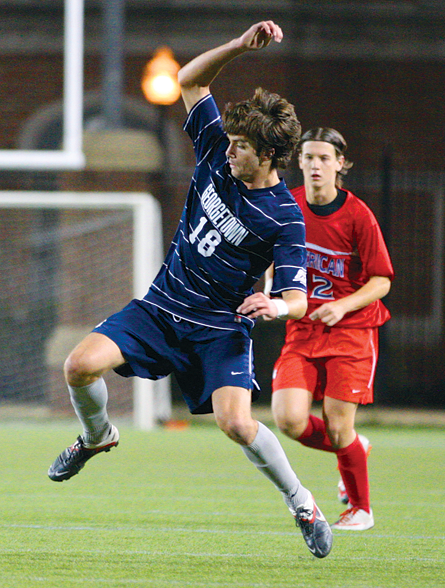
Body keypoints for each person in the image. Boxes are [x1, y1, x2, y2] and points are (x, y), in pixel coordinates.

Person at [47, 21, 333, 558]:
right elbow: (190, 81)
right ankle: (96, 437)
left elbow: (300, 298)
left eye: (243, 145)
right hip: (161, 308)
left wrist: (275, 304)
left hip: (220, 328)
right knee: (78, 365)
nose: (231, 150)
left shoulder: (285, 218)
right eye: (231, 140)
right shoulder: (213, 151)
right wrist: (238, 48)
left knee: (237, 423)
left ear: (268, 156)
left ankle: (302, 502)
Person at [269, 128, 393, 532]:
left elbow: (381, 281)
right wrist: (275, 296)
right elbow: (274, 255)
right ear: (299, 161)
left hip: (352, 331)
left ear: (341, 164)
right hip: (302, 330)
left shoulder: (358, 215)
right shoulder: (288, 205)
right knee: (288, 420)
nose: (316, 165)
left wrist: (341, 305)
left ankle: (361, 509)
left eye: (324, 158)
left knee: (339, 425)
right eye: (309, 157)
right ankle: (354, 448)